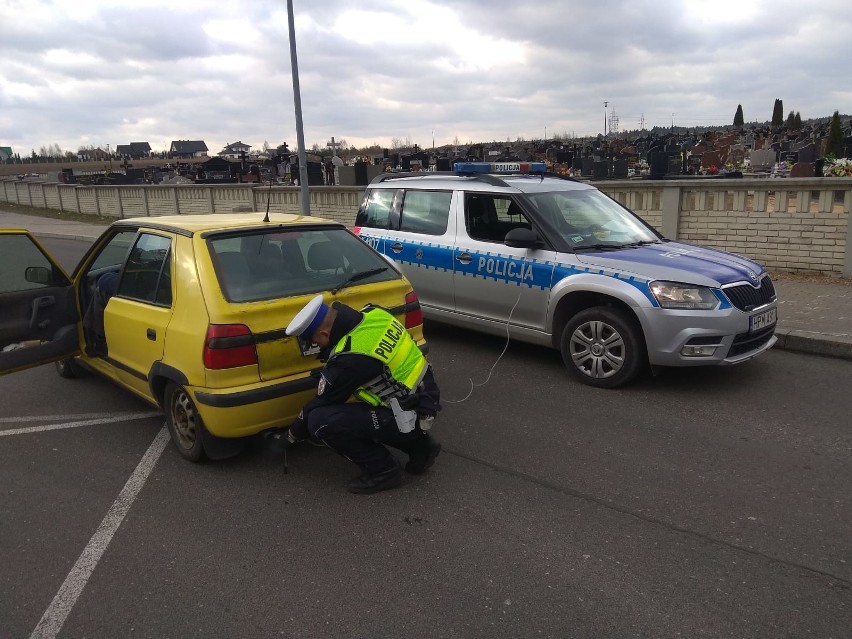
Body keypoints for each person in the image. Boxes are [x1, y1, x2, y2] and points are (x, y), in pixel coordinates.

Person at [282, 295, 442, 494]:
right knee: (372, 412)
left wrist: (292, 434)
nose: (318, 346)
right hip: (424, 397)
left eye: (315, 342)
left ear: (324, 333)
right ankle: (420, 448)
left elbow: (320, 402)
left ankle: (384, 471)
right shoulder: (374, 313)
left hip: (408, 414)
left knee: (320, 422)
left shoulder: (350, 359)